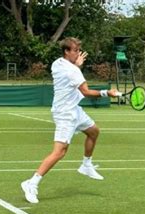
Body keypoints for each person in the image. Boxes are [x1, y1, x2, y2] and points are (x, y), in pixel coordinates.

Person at [21, 37, 121, 204]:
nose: (78, 53)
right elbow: (87, 92)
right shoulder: (73, 71)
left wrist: (76, 65)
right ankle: (32, 183)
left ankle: (86, 165)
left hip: (74, 109)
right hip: (65, 114)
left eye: (78, 50)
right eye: (75, 50)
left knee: (94, 131)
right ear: (66, 51)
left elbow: (71, 73)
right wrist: (107, 93)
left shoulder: (57, 63)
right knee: (59, 152)